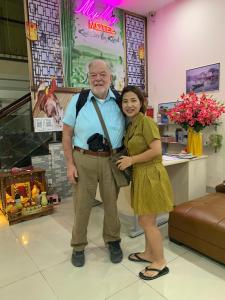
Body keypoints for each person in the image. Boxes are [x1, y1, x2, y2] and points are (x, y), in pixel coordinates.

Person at [62, 59, 125, 267]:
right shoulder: (78, 100)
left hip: (111, 159)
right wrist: (70, 164)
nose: (98, 79)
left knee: (111, 205)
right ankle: (78, 246)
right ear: (88, 78)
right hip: (83, 159)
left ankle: (113, 240)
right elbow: (66, 134)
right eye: (93, 75)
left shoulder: (119, 100)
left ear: (110, 77)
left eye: (103, 74)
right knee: (82, 206)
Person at [117, 86, 173, 280]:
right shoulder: (132, 124)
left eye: (133, 100)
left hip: (150, 174)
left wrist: (131, 160)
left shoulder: (146, 122)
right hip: (142, 175)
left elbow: (156, 150)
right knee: (145, 220)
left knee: (147, 222)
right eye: (125, 101)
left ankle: (160, 261)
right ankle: (150, 254)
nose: (129, 105)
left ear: (141, 103)